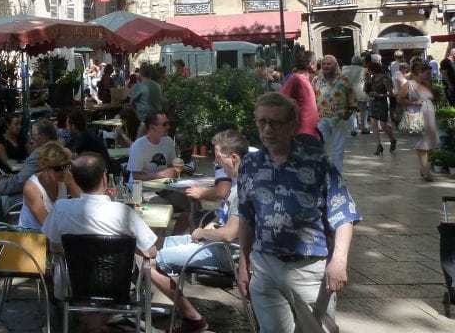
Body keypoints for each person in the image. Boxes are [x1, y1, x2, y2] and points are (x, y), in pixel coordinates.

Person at [237, 92, 360, 333]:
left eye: (275, 122)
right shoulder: (250, 165)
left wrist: (339, 261)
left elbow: (344, 214)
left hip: (308, 267)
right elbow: (246, 218)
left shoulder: (316, 162)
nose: (267, 129)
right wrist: (243, 263)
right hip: (265, 265)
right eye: (261, 121)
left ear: (292, 124)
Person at [41, 153, 159, 333]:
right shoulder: (123, 212)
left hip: (74, 284)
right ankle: (94, 323)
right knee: (144, 265)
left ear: (76, 180)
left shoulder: (61, 209)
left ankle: (89, 322)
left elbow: (54, 246)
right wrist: (129, 246)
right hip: (116, 286)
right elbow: (150, 251)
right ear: (104, 178)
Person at [150, 128, 250, 333]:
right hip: (217, 244)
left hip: (225, 251)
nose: (216, 161)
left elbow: (229, 234)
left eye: (218, 156)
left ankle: (193, 318)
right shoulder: (239, 181)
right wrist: (214, 223)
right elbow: (228, 221)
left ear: (233, 157)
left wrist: (203, 233)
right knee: (151, 247)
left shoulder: (243, 189)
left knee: (148, 264)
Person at [0, 119, 58, 210]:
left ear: (43, 137)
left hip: (42, 198)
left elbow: (21, 181)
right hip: (47, 195)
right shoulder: (60, 150)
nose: (32, 140)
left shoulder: (40, 154)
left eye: (33, 136)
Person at [18, 142, 80, 230]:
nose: (64, 171)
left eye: (67, 165)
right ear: (45, 167)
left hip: (56, 233)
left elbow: (84, 201)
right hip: (33, 236)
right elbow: (48, 225)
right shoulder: (31, 188)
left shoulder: (67, 177)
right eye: (58, 168)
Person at [313, 55, 355, 172]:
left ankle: (336, 174)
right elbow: (312, 98)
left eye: (329, 64)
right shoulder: (316, 80)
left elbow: (352, 96)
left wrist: (349, 112)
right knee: (321, 146)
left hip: (339, 118)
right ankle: (323, 171)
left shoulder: (344, 80)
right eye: (324, 64)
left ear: (335, 65)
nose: (326, 66)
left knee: (339, 148)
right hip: (322, 118)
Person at [399, 62, 441, 181]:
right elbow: (400, 99)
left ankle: (425, 169)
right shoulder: (409, 85)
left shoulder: (427, 84)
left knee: (430, 143)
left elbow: (432, 98)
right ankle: (425, 171)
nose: (429, 75)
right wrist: (414, 103)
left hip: (429, 114)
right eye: (427, 73)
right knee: (422, 145)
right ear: (419, 72)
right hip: (417, 116)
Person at [279, 50, 320, 143]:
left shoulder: (306, 80)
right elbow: (280, 100)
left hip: (311, 133)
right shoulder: (296, 79)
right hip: (301, 135)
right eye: (315, 63)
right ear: (310, 64)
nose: (317, 65)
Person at [126, 111, 179, 181]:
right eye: (165, 124)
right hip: (142, 190)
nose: (168, 127)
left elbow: (172, 167)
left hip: (164, 188)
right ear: (152, 127)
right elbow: (136, 176)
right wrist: (160, 175)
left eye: (168, 123)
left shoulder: (168, 141)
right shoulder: (138, 146)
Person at [364, 54, 396, 155]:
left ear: (372, 70)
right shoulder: (371, 79)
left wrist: (379, 94)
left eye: (369, 70)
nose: (368, 72)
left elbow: (391, 94)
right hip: (373, 103)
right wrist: (367, 80)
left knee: (383, 126)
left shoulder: (384, 79)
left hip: (382, 103)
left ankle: (392, 139)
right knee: (373, 124)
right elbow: (365, 90)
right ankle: (378, 145)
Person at [341, 55, 367, 137]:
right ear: (360, 62)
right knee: (363, 111)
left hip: (349, 93)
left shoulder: (344, 69)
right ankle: (364, 128)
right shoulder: (364, 70)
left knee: (351, 112)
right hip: (361, 93)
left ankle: (353, 129)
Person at [392, 62, 410, 127]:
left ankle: (401, 124)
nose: (407, 70)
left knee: (401, 109)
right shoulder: (398, 74)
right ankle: (400, 124)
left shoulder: (399, 74)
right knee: (401, 110)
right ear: (403, 68)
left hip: (399, 93)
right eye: (406, 68)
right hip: (400, 94)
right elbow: (401, 84)